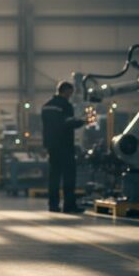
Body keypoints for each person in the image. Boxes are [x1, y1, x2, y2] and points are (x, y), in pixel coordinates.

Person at [41, 81, 86, 213]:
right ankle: (69, 205)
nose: (70, 96)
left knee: (54, 176)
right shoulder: (65, 105)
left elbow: (50, 126)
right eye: (70, 93)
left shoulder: (46, 106)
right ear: (66, 91)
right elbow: (67, 123)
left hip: (52, 146)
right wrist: (82, 121)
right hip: (65, 146)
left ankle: (53, 205)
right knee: (69, 176)